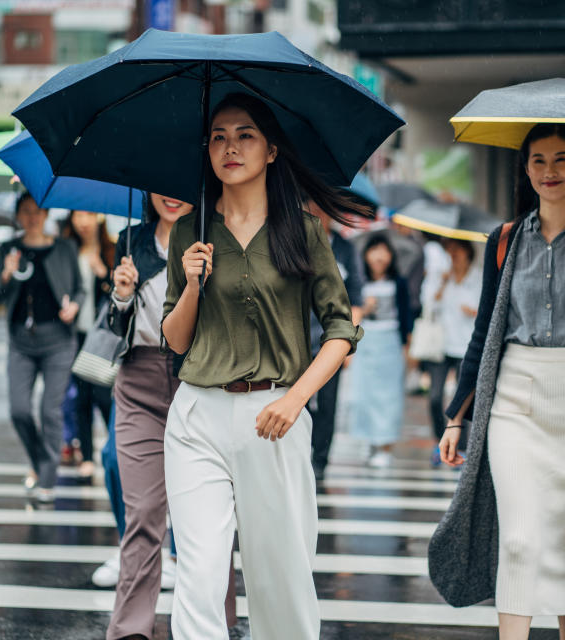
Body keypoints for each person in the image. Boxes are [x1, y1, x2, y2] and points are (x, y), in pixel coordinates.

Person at [161, 93, 364, 640]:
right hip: (197, 415)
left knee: (282, 581)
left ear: (272, 150)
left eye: (244, 134)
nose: (230, 147)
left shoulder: (302, 230)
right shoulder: (190, 232)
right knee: (199, 574)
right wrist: (193, 286)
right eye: (218, 136)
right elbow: (174, 340)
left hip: (274, 417)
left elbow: (341, 330)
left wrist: (294, 399)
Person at [429, 123, 565, 640]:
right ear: (525, 169)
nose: (550, 172)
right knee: (519, 539)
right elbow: (485, 335)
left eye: (561, 159)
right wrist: (457, 416)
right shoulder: (504, 240)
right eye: (538, 161)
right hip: (514, 397)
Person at [99, 193, 239, 639]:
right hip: (138, 382)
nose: (170, 195)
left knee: (208, 518)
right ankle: (129, 631)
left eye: (179, 186)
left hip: (196, 381)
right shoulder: (129, 240)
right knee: (142, 512)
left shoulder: (212, 239)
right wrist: (121, 296)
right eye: (160, 186)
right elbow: (112, 327)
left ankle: (220, 623)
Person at [0, 192, 84, 503]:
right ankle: (39, 460)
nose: (32, 216)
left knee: (49, 411)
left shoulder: (64, 248)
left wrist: (75, 307)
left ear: (46, 215)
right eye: (26, 211)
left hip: (58, 340)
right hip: (21, 343)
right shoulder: (8, 249)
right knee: (18, 410)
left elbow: (79, 289)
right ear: (17, 216)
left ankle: (46, 479)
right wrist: (6, 272)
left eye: (37, 211)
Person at [306, 197, 364, 481]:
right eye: (311, 204)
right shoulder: (296, 242)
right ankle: (300, 455)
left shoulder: (344, 247)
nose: (316, 210)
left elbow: (356, 297)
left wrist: (348, 347)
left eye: (321, 205)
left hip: (332, 340)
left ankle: (320, 459)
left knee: (328, 403)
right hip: (298, 339)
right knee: (299, 400)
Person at [348, 233, 413, 468]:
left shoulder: (399, 282)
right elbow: (350, 315)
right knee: (363, 395)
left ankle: (385, 446)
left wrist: (407, 348)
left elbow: (407, 317)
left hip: (390, 343)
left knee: (389, 398)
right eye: (374, 250)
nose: (379, 256)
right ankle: (370, 441)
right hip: (366, 342)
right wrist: (365, 309)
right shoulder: (358, 283)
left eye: (383, 250)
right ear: (365, 255)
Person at [61, 209, 116, 478]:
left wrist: (104, 274)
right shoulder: (67, 250)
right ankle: (86, 454)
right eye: (78, 215)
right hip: (76, 334)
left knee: (103, 395)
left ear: (99, 218)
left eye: (89, 214)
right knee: (80, 396)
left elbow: (122, 293)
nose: (83, 221)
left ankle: (114, 448)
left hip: (102, 337)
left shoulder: (112, 249)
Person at [424, 238, 480, 466]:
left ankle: (462, 447)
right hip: (441, 345)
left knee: (463, 399)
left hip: (466, 346)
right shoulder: (440, 275)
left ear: (468, 252)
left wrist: (474, 311)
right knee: (434, 397)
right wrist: (442, 285)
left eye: (458, 249)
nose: (454, 254)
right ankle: (441, 442)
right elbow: (427, 305)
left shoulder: (478, 277)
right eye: (450, 250)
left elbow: (487, 309)